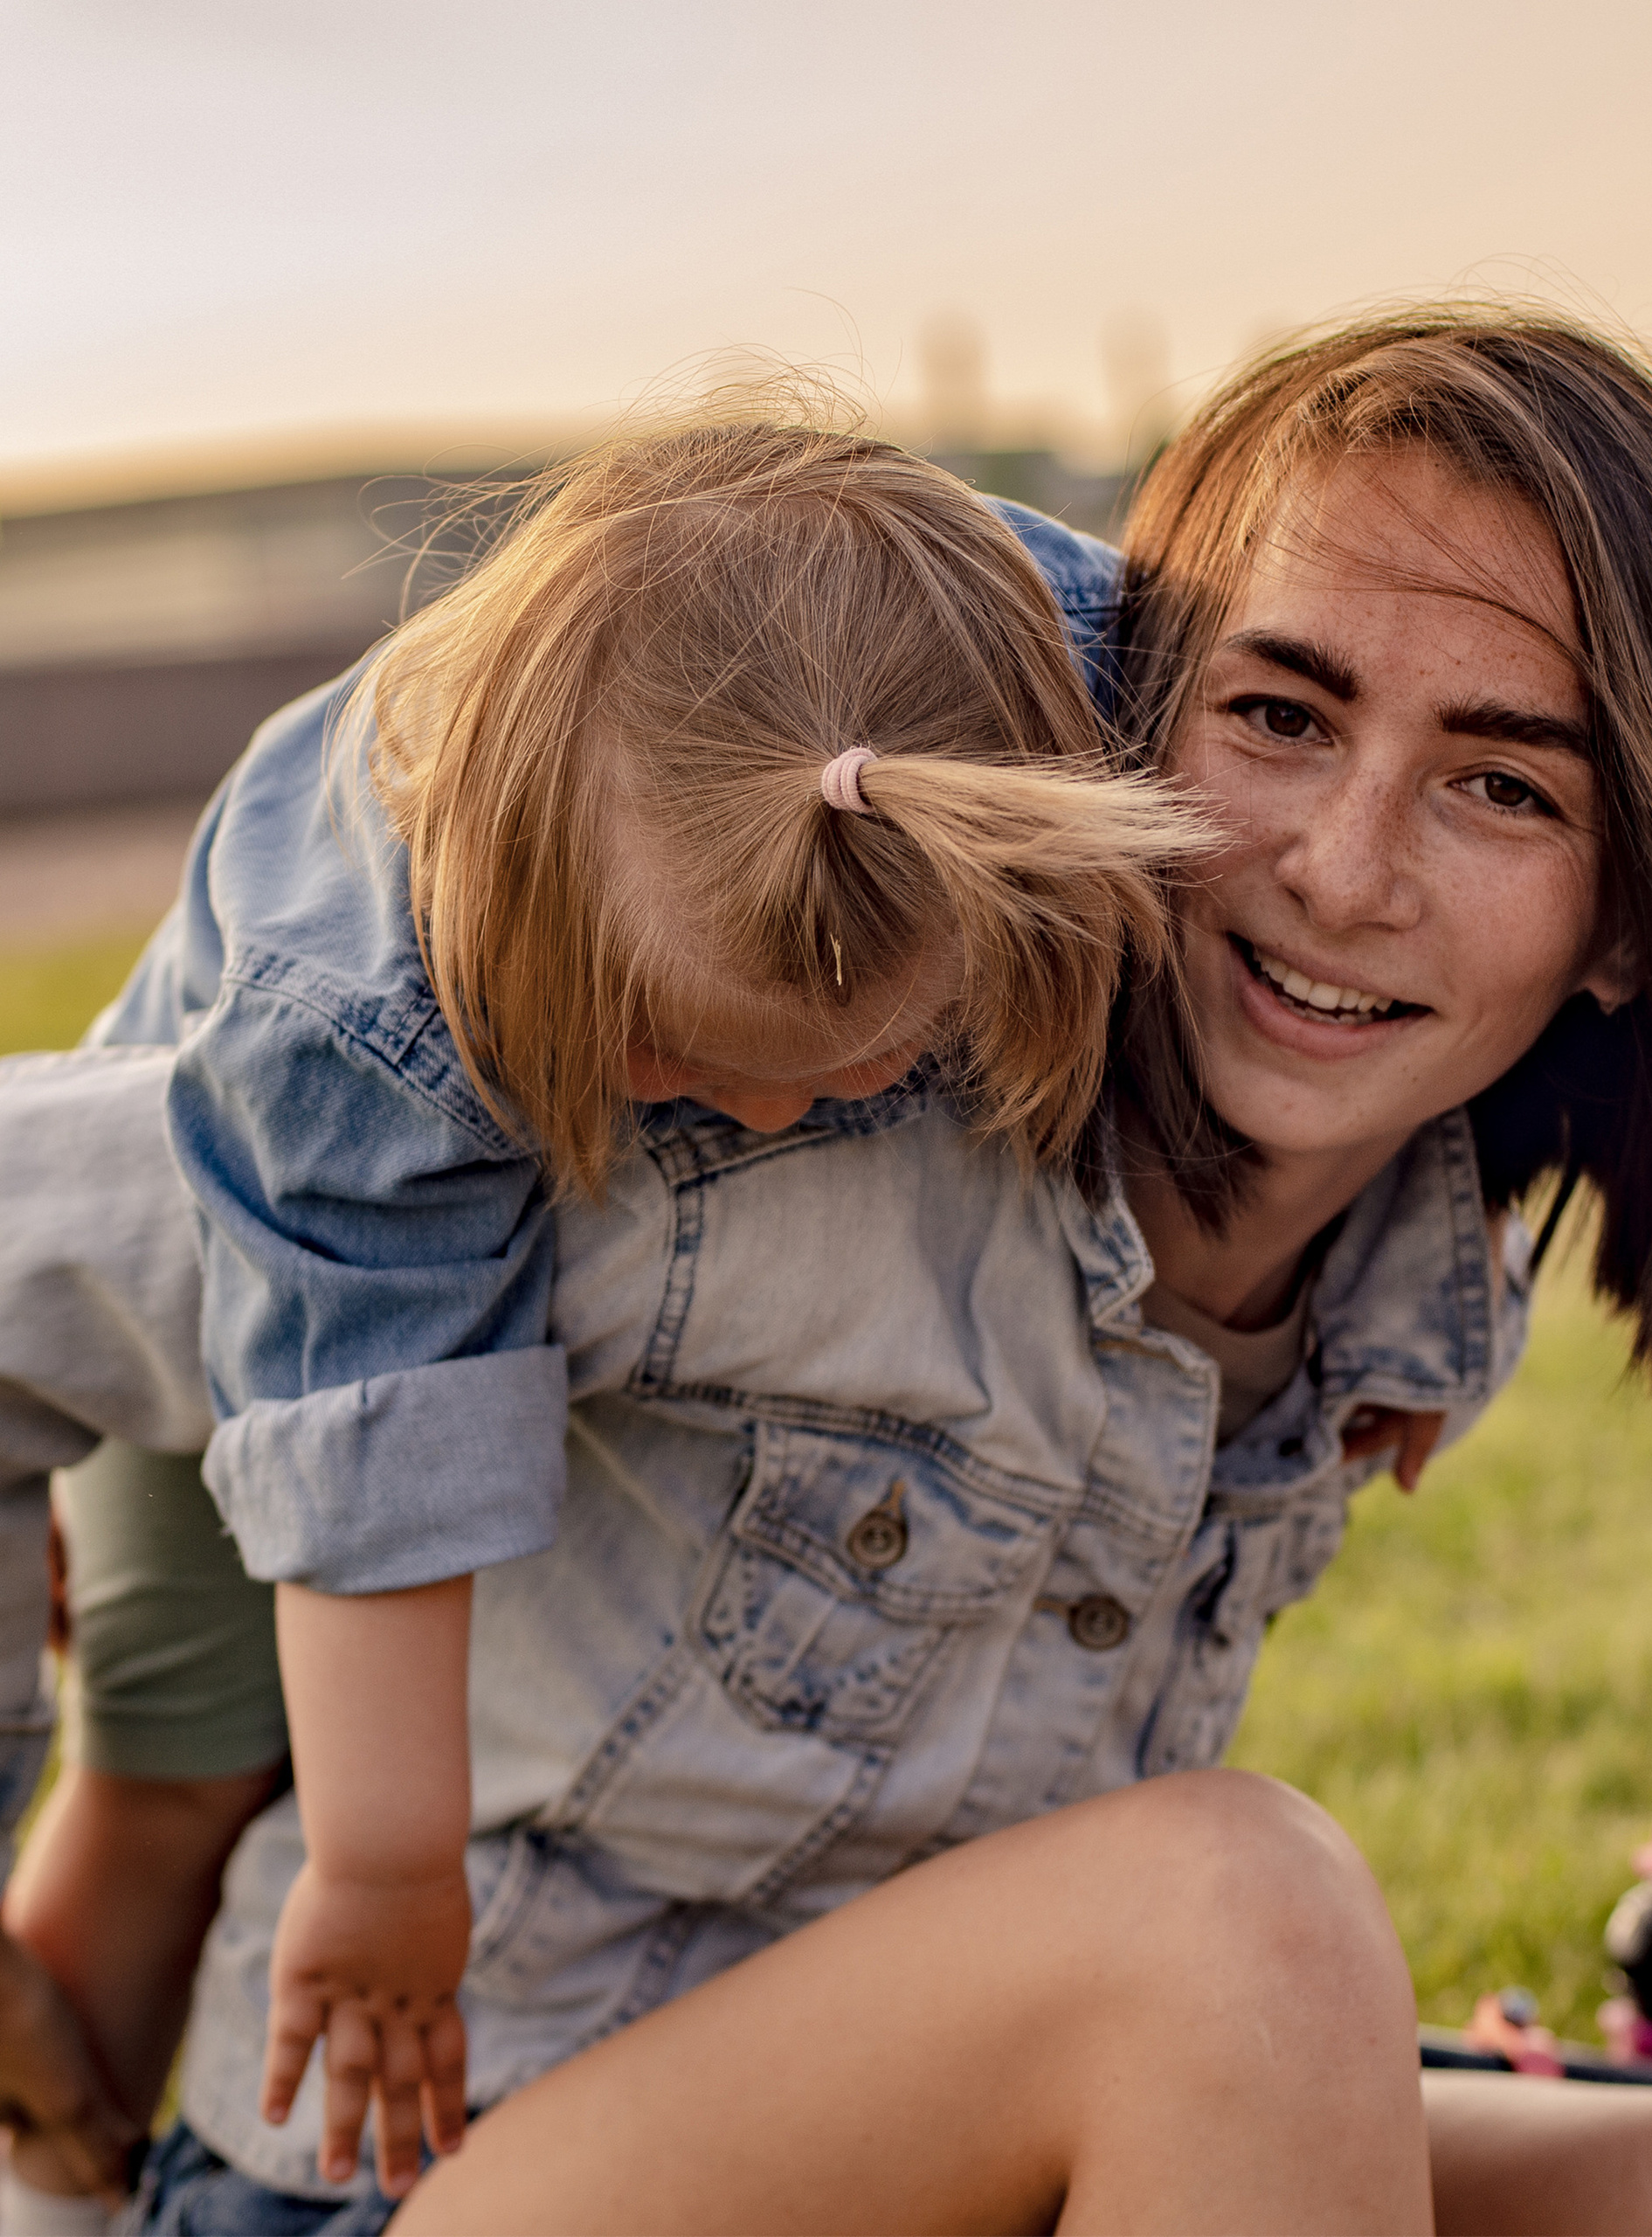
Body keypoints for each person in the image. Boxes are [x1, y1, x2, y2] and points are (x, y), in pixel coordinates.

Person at [2, 306, 1652, 2234]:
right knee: (1228, 1922)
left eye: (1503, 786)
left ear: (1628, 920)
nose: (1341, 869)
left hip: (926, 2157)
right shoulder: (716, 1106)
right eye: (1275, 716)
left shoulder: (1413, 1283)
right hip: (445, 2153)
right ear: (1116, 714)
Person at [0, 410, 1204, 2214]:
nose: (768, 1119)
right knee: (180, 1763)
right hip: (248, 1307)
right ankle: (50, 2177)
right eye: (669, 1055)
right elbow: (370, 1445)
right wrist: (390, 1874)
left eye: (847, 1075)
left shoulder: (1014, 683)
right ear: (533, 925)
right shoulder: (368, 1014)